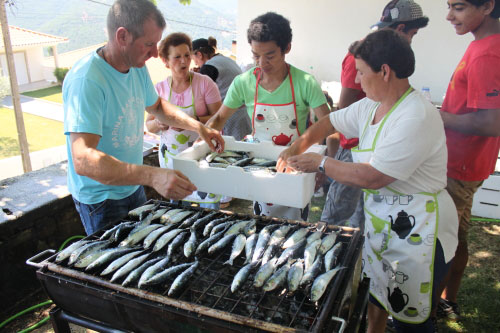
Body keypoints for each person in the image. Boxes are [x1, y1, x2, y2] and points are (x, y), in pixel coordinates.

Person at [278, 29, 458, 332]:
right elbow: (330, 121)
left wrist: (320, 161)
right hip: (383, 224)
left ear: (384, 71)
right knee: (376, 297)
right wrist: (293, 148)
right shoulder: (371, 107)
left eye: (361, 72)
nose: (357, 81)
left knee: (410, 318)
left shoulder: (415, 115)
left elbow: (373, 176)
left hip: (419, 230)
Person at [63, 0, 224, 235]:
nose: (153, 53)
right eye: (148, 44)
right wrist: (152, 175)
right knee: (114, 266)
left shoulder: (136, 66)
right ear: (122, 36)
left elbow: (157, 106)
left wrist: (199, 127)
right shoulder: (87, 80)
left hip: (131, 185)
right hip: (101, 198)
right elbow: (83, 159)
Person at [206, 12, 330, 221]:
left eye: (270, 56)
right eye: (256, 56)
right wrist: (205, 134)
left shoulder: (305, 82)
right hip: (259, 165)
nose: (262, 63)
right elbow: (219, 119)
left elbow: (327, 123)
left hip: (296, 165)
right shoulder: (243, 82)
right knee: (263, 222)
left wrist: (322, 163)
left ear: (287, 48)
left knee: (295, 224)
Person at [321, 0, 429, 229]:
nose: (411, 40)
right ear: (400, 30)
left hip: (378, 148)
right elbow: (346, 106)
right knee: (337, 214)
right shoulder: (363, 54)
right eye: (413, 34)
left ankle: (358, 251)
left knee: (365, 214)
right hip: (356, 147)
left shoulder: (414, 110)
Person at [437, 0, 500, 321]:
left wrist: (441, 117)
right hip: (465, 163)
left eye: (458, 7)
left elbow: (491, 123)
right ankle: (448, 301)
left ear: (488, 6)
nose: (449, 15)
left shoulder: (488, 53)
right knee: (456, 234)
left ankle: (429, 308)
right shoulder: (482, 45)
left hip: (460, 166)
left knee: (442, 240)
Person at [145, 33, 223, 209]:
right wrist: (160, 123)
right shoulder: (159, 89)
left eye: (187, 55)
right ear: (165, 61)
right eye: (177, 57)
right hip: (173, 160)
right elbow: (148, 125)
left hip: (203, 158)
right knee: (179, 212)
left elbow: (218, 117)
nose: (184, 61)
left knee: (209, 211)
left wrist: (191, 121)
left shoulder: (205, 83)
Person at [191, 36, 252, 141]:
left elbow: (198, 96)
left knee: (233, 150)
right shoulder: (226, 60)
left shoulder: (209, 67)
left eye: (194, 59)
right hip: (244, 113)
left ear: (199, 55)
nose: (195, 63)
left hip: (230, 116)